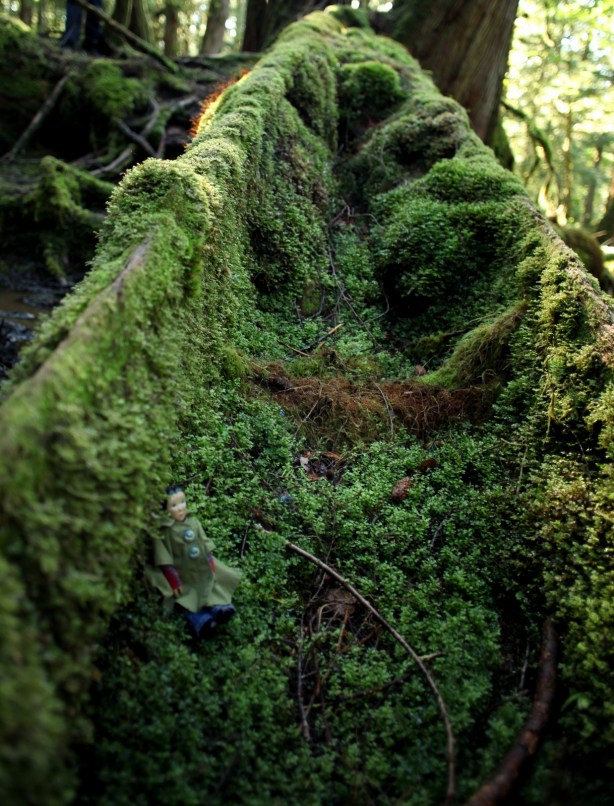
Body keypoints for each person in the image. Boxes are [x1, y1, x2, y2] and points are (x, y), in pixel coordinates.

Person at [146, 485, 241, 638]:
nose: (180, 508)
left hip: (200, 568)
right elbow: (164, 559)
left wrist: (210, 561)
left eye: (182, 502)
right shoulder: (164, 531)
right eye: (174, 505)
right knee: (187, 599)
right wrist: (173, 580)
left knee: (211, 586)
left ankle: (220, 608)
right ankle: (202, 622)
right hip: (182, 573)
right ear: (166, 509)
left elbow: (204, 543)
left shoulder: (193, 521)